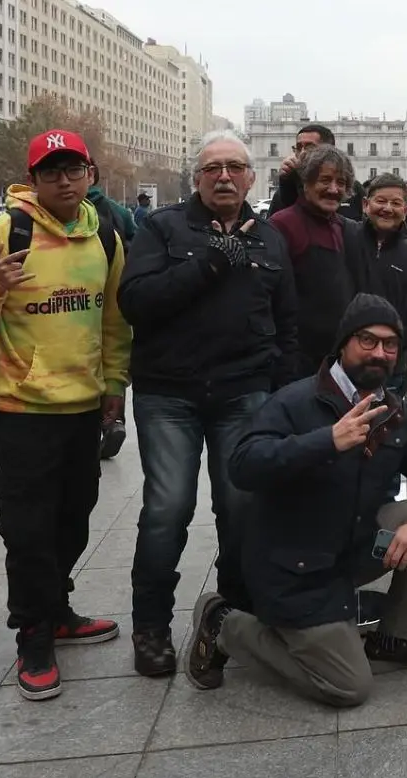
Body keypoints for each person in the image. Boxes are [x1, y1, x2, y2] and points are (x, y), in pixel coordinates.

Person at [184, 294, 407, 703]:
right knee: (348, 686)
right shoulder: (296, 401)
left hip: (350, 551)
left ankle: (399, 636)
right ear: (343, 344)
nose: (380, 353)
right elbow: (243, 465)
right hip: (294, 571)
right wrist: (326, 441)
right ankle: (223, 623)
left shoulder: (392, 412)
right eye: (367, 341)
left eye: (390, 344)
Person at [0, 129, 131, 701]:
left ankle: (58, 609)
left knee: (75, 517)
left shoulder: (104, 237)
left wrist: (114, 386)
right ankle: (33, 635)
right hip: (20, 408)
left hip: (82, 407)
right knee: (27, 529)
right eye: (51, 171)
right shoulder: (6, 231)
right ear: (33, 179)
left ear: (91, 175)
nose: (64, 180)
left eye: (74, 169)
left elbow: (114, 321)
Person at [118, 130, 300, 678]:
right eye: (212, 168)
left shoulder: (270, 239)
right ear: (197, 178)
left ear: (251, 177)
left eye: (235, 167)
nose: (224, 176)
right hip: (168, 394)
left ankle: (234, 618)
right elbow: (136, 302)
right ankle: (151, 625)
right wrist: (209, 263)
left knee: (241, 510)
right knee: (166, 510)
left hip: (242, 392)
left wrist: (283, 393)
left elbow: (287, 322)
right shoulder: (161, 227)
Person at [269, 144, 370, 377]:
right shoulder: (282, 225)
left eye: (341, 183)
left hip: (339, 358)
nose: (334, 189)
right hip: (298, 363)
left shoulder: (342, 226)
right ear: (305, 183)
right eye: (325, 180)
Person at [359, 173, 407, 400]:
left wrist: (400, 340)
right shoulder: (346, 240)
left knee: (388, 426)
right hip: (347, 363)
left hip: (391, 366)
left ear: (405, 210)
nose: (387, 209)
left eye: (396, 203)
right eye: (380, 201)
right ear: (366, 205)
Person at [87, 163, 137, 460]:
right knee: (114, 346)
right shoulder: (119, 211)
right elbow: (136, 244)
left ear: (89, 173)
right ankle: (113, 419)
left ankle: (104, 421)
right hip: (117, 294)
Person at [268, 123, 335, 216]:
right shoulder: (283, 191)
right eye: (299, 147)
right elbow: (272, 228)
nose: (303, 152)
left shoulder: (345, 189)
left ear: (329, 151)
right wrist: (287, 183)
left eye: (310, 147)